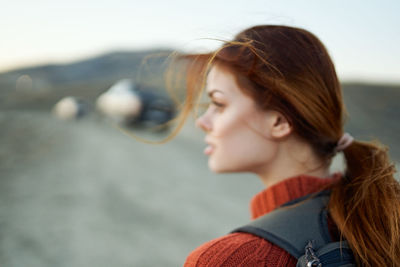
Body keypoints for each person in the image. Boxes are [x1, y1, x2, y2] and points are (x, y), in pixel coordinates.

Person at [168, 25, 399, 266]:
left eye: (219, 103)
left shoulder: (230, 259)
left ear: (279, 122)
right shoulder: (380, 225)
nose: (202, 122)